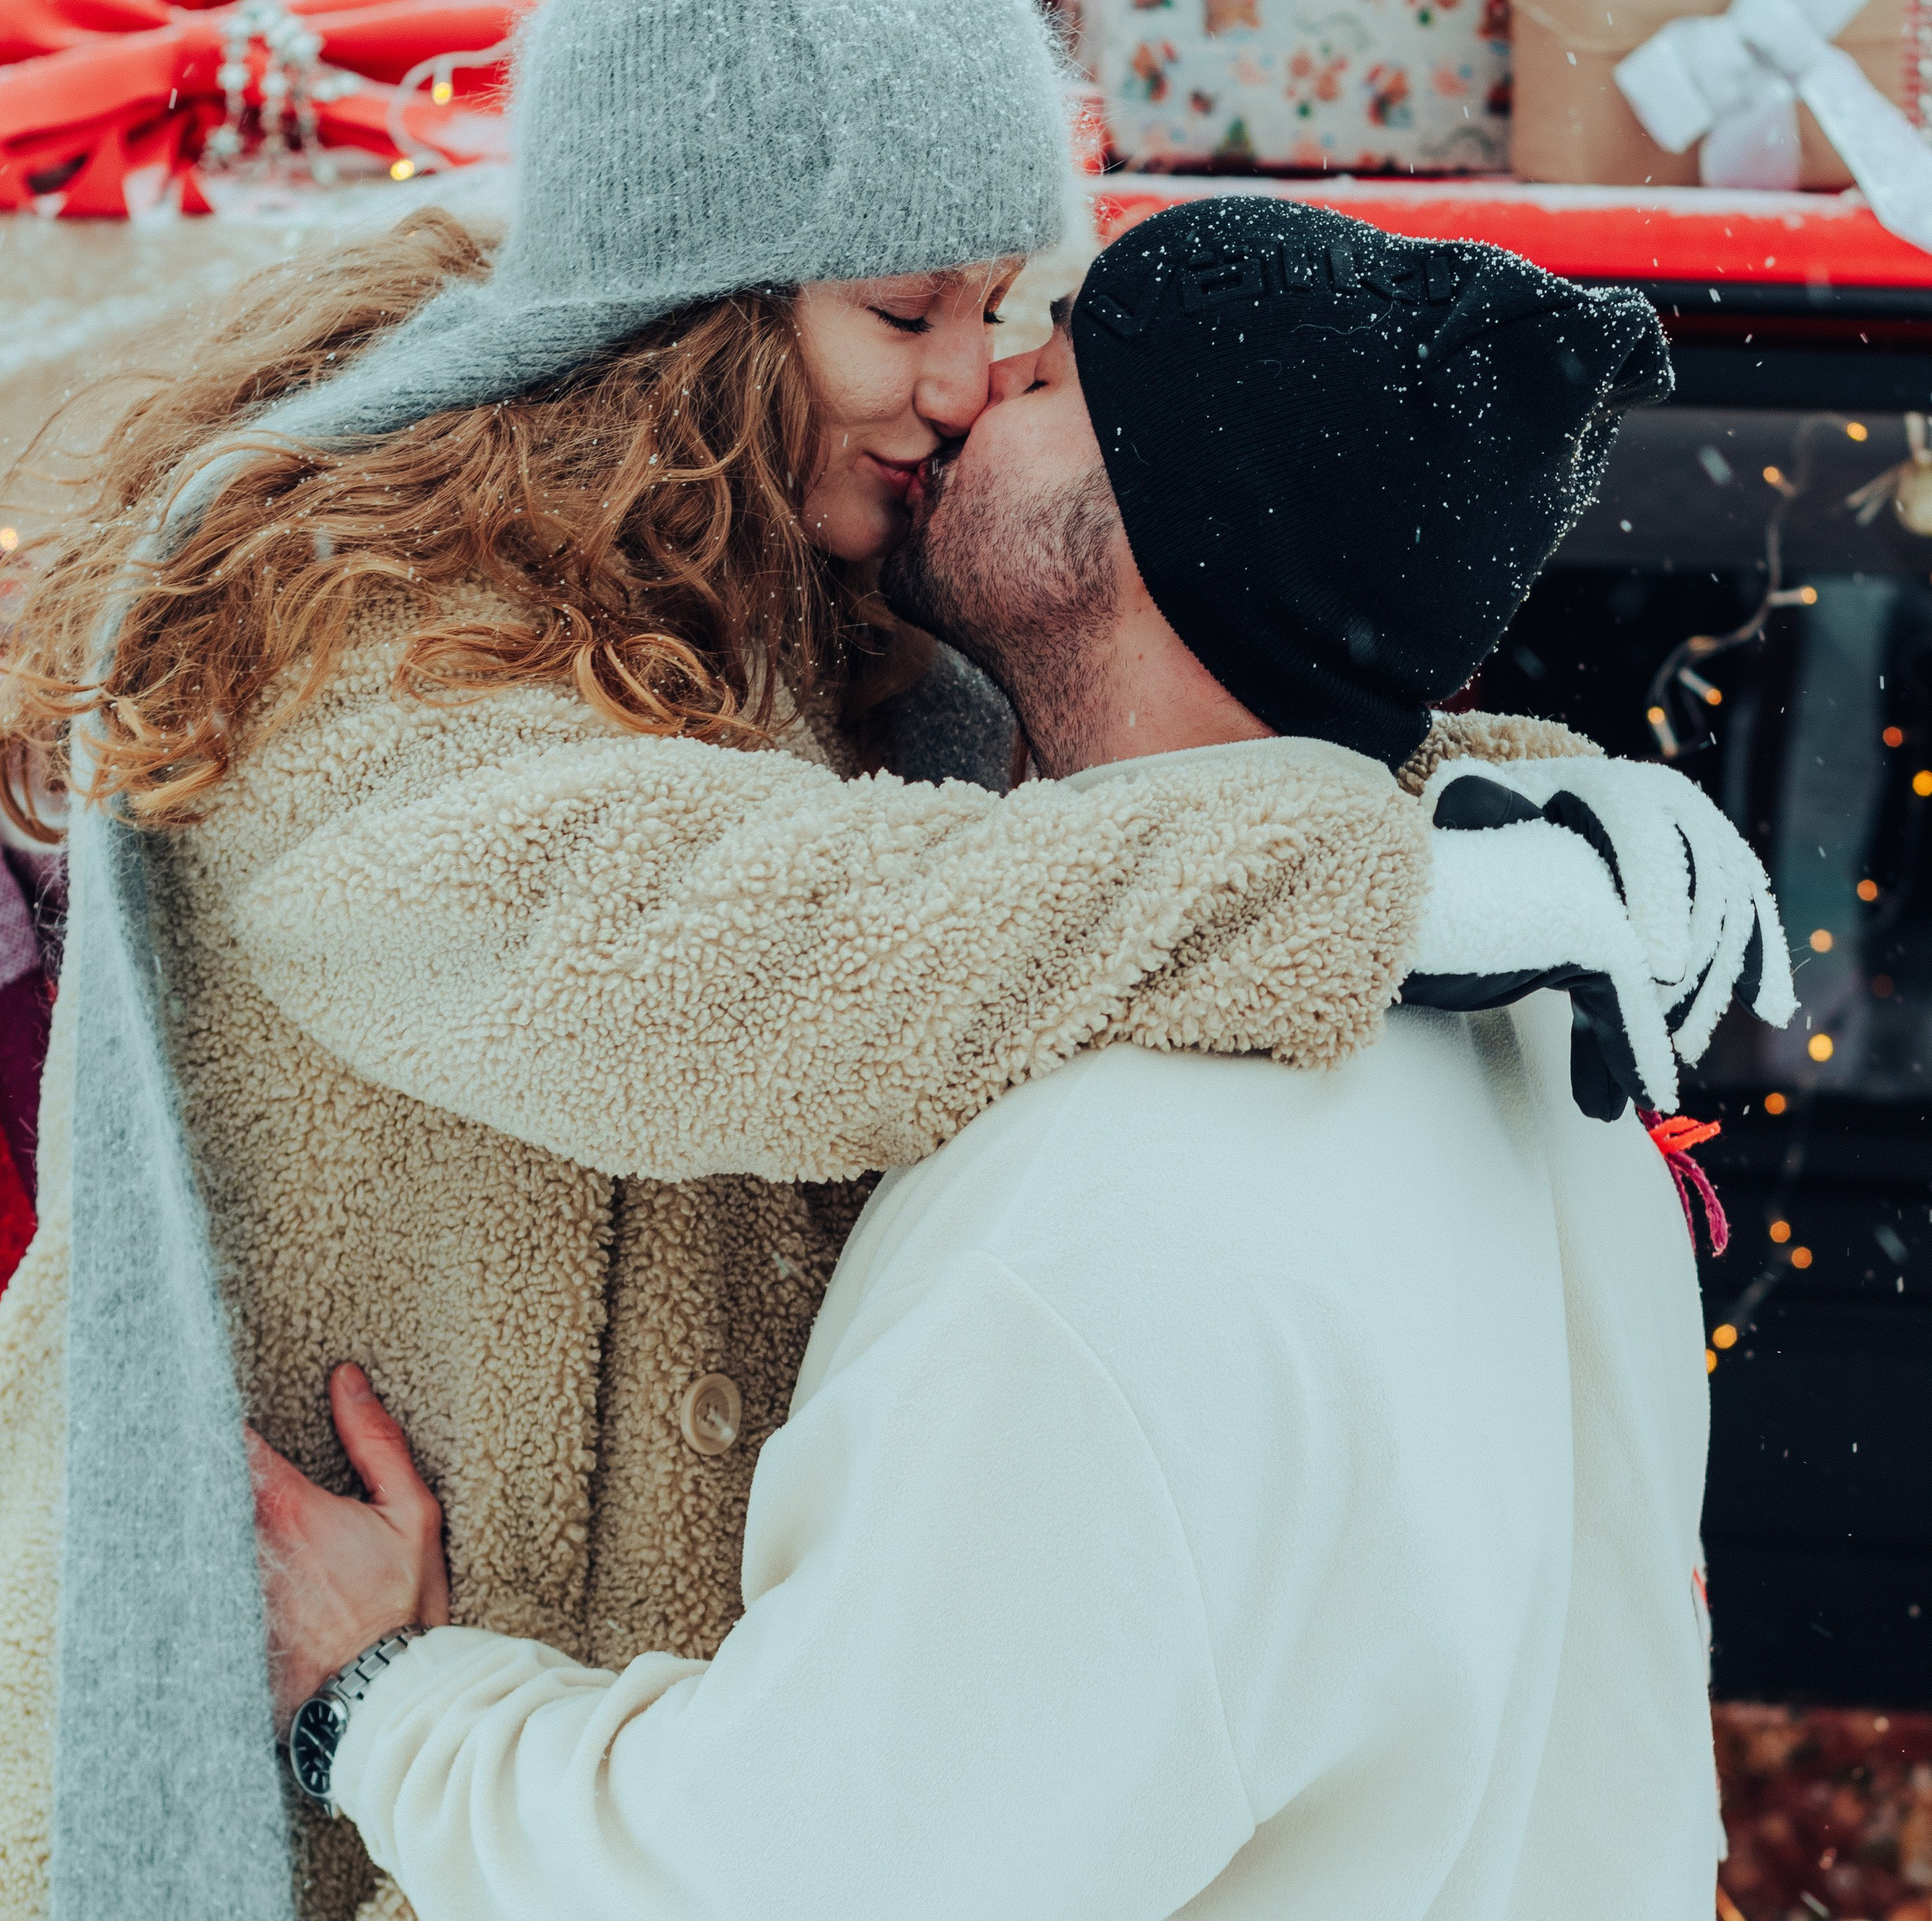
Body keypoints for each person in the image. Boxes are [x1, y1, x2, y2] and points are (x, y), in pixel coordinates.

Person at [0, 0, 1680, 1921]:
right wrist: (1396, 878)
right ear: (692, 320)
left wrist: (1557, 820)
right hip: (274, 1745)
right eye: (907, 308)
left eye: (1000, 308)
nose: (969, 376)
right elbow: (715, 965)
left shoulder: (828, 631)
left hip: (572, 1796)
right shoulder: (351, 631)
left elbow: (1195, 709)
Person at [248, 196, 1791, 1921]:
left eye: (1043, 369)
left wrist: (384, 1708)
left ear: (1146, 520)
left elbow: (790, 1881)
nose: (972, 390)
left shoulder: (1129, 1211)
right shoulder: (1534, 1056)